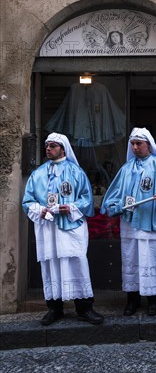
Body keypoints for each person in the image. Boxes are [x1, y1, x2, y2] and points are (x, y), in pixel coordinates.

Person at [22, 133, 104, 326]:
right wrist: (39, 210)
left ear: (63, 148)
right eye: (47, 146)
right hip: (48, 228)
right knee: (51, 266)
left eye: (53, 145)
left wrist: (71, 208)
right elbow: (27, 201)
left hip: (71, 227)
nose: (48, 149)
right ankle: (54, 308)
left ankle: (84, 308)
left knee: (76, 263)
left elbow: (86, 199)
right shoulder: (38, 174)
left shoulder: (76, 172)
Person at [100, 127, 156, 316]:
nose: (135, 147)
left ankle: (154, 301)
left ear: (149, 145)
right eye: (133, 144)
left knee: (153, 259)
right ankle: (132, 300)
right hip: (131, 223)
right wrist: (114, 205)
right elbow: (112, 195)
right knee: (132, 260)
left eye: (139, 143)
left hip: (154, 222)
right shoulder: (126, 169)